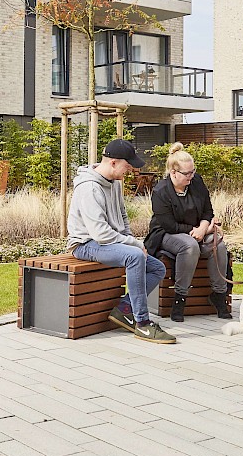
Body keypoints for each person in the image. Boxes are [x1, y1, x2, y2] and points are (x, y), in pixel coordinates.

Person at [67, 138, 176, 344]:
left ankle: (125, 310)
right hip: (85, 244)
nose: (130, 170)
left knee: (157, 268)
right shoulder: (89, 188)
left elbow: (123, 217)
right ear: (113, 163)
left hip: (108, 243)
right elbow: (100, 234)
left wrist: (130, 240)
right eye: (128, 165)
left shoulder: (114, 183)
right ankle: (142, 323)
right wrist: (133, 245)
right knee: (135, 256)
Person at [145, 143, 232, 322]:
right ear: (173, 172)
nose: (191, 176)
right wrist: (199, 231)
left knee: (219, 245)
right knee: (190, 246)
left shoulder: (196, 182)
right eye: (187, 173)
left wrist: (203, 228)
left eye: (193, 171)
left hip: (198, 229)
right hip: (166, 234)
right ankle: (180, 298)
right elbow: (169, 225)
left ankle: (219, 294)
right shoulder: (161, 191)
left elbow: (208, 210)